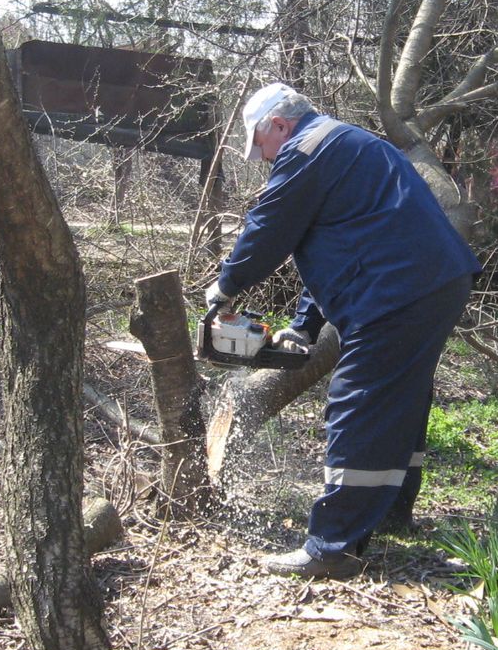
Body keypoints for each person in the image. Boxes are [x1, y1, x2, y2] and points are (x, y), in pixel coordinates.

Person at [206, 82, 480, 579]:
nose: (263, 158)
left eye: (260, 145)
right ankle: (390, 510)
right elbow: (337, 246)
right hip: (431, 280)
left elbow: (269, 229)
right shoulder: (345, 144)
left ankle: (333, 547)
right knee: (400, 395)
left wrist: (225, 288)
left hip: (401, 288)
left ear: (279, 125)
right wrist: (303, 326)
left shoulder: (305, 151)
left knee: (358, 399)